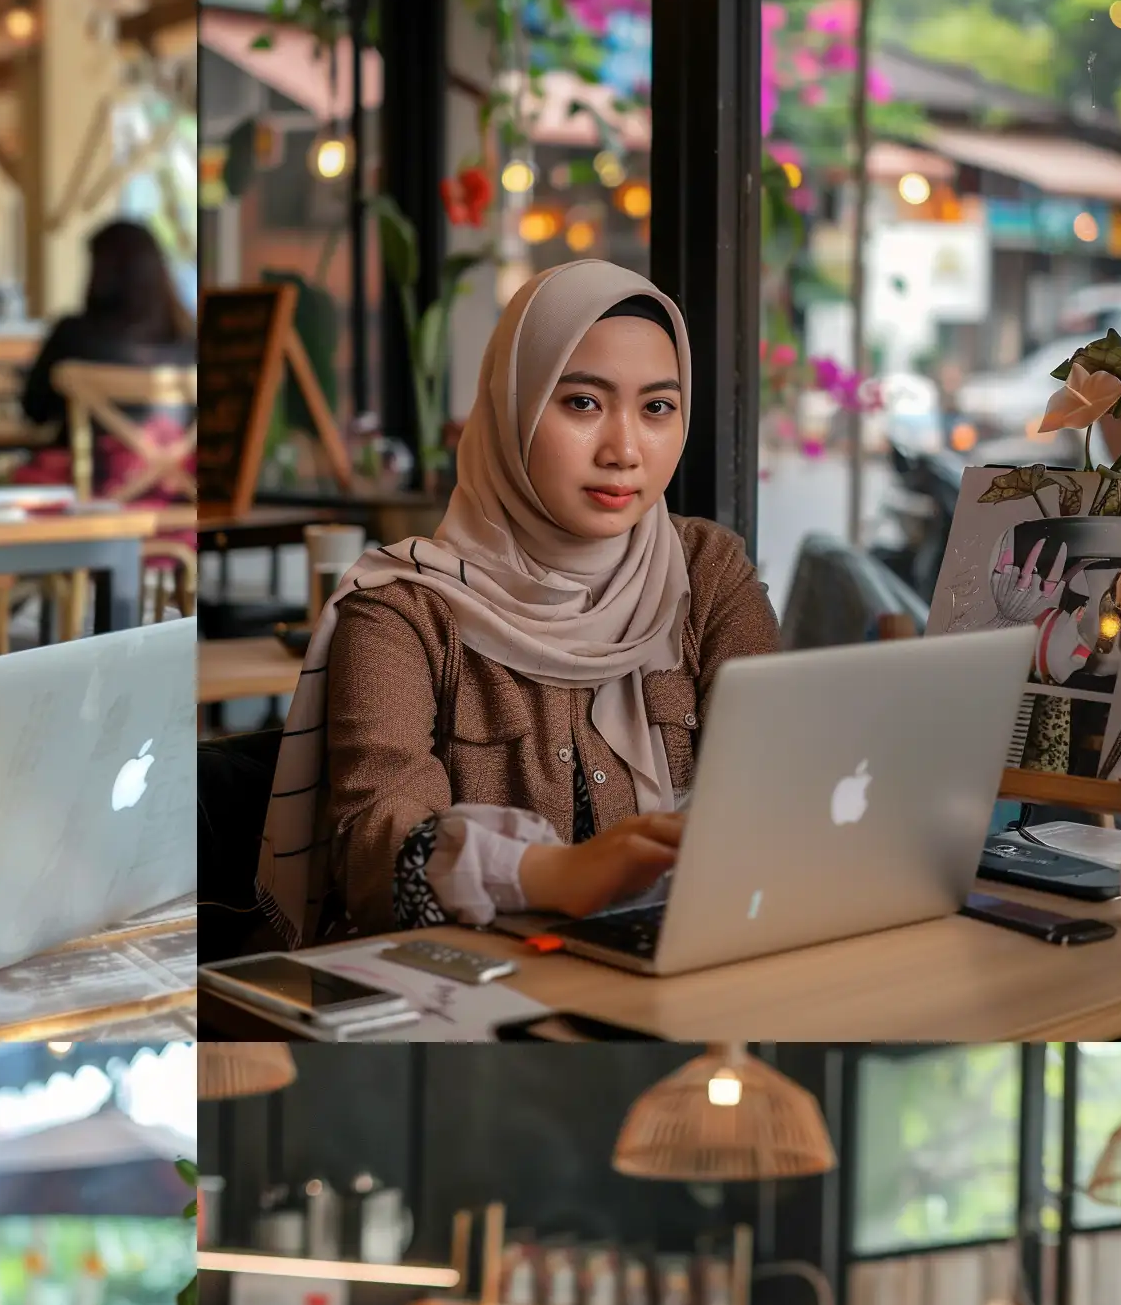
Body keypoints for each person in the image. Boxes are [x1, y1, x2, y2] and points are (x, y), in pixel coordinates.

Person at [256, 260, 780, 947]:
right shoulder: (402, 612)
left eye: (657, 408)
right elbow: (375, 853)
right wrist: (550, 874)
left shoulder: (709, 574)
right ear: (513, 405)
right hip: (476, 1002)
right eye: (583, 403)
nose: (624, 450)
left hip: (695, 959)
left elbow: (778, 785)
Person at [20, 219, 195, 438]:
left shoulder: (72, 336)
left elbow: (34, 410)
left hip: (91, 469)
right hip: (177, 470)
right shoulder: (190, 345)